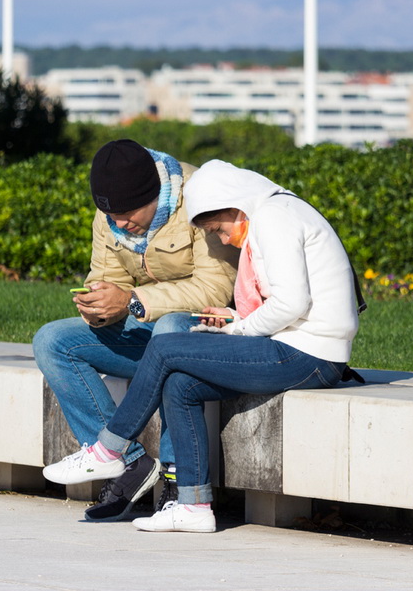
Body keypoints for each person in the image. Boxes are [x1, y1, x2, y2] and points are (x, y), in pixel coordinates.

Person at [42, 159, 361, 532]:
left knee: (166, 349)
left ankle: (109, 449)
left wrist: (238, 331)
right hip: (296, 348)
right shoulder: (272, 212)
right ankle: (193, 506)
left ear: (235, 204)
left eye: (220, 229)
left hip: (309, 356)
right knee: (181, 384)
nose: (224, 240)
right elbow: (283, 304)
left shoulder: (275, 218)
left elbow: (292, 305)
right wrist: (233, 322)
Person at [33, 140, 237, 522]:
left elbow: (216, 289)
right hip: (144, 323)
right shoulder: (109, 215)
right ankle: (127, 464)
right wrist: (98, 308)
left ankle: (178, 477)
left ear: (154, 192)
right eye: (111, 213)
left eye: (128, 212)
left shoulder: (197, 197)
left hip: (205, 333)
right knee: (52, 341)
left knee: (171, 327)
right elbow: (107, 278)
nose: (120, 222)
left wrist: (130, 300)